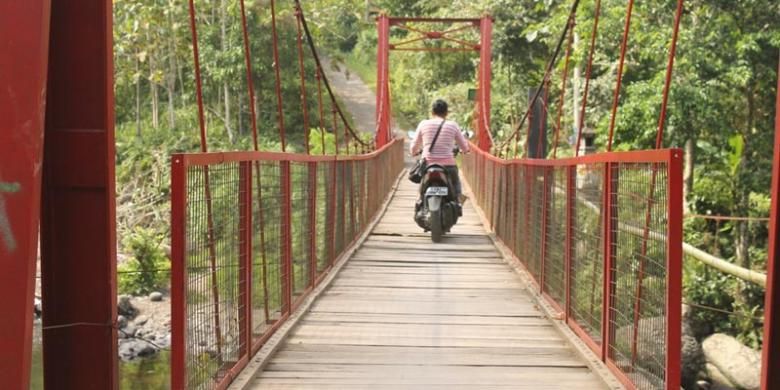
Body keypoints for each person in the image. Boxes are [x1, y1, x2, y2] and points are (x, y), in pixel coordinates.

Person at [409, 99, 470, 203]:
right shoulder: (453, 125)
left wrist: (413, 152)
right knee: (456, 182)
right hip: (448, 166)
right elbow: (464, 146)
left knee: (422, 183)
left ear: (432, 112)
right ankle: (458, 201)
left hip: (428, 164)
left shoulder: (423, 124)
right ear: (446, 113)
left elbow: (414, 145)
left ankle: (419, 200)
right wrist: (465, 150)